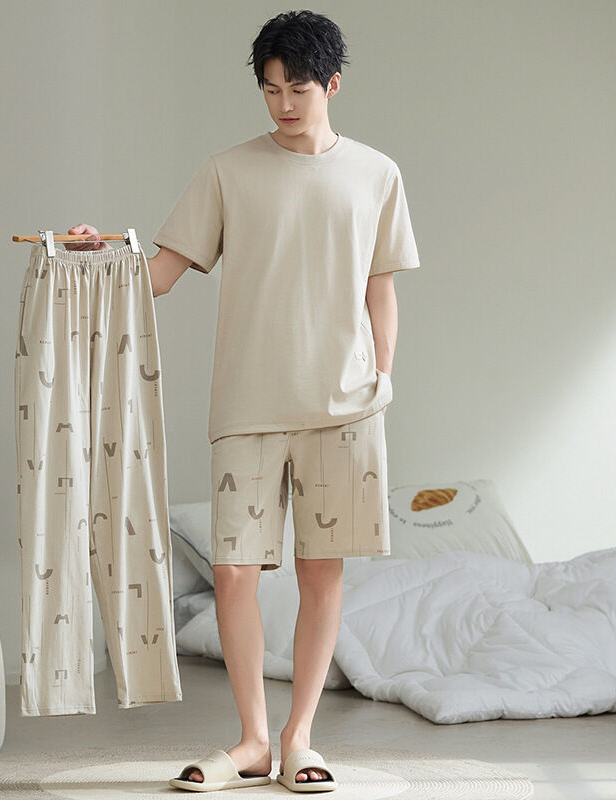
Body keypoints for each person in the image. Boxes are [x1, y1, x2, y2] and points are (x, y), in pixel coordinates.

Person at [68, 9, 420, 789]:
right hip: (248, 405)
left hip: (346, 408)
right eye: (270, 89)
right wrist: (99, 259)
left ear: (333, 85)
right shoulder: (228, 171)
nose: (284, 104)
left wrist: (383, 377)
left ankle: (300, 738)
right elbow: (162, 273)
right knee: (234, 572)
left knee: (321, 573)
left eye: (299, 88)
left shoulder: (377, 174)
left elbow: (381, 290)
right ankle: (253, 740)